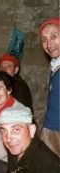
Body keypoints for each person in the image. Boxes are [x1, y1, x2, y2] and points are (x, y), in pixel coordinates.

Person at [0, 106, 60, 173]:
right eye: (4, 131)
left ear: (31, 130)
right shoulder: (16, 148)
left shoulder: (48, 167)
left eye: (16, 130)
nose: (8, 139)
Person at [39, 17, 60, 157]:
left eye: (54, 36)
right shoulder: (56, 66)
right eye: (44, 40)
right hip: (51, 127)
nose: (48, 44)